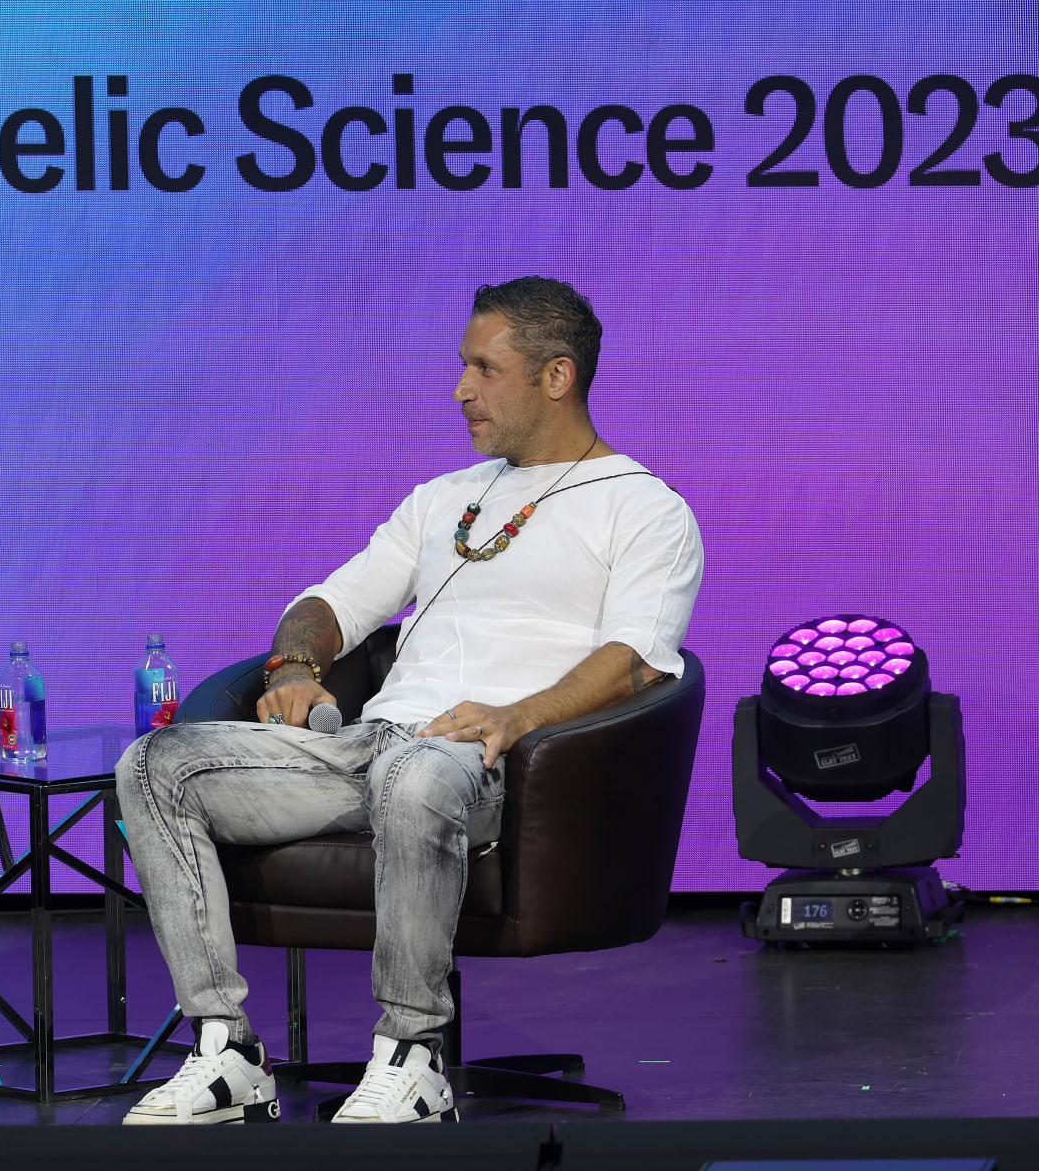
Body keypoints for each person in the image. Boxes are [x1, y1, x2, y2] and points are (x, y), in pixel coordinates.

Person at [117, 277, 703, 1125]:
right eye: (463, 367)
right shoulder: (442, 500)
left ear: (556, 376)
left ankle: (411, 1053)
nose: (460, 388)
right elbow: (330, 605)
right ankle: (225, 1049)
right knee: (158, 764)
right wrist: (292, 668)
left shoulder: (644, 509)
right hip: (368, 747)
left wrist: (516, 716)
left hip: (494, 763)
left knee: (423, 774)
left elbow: (640, 662)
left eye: (483, 368)